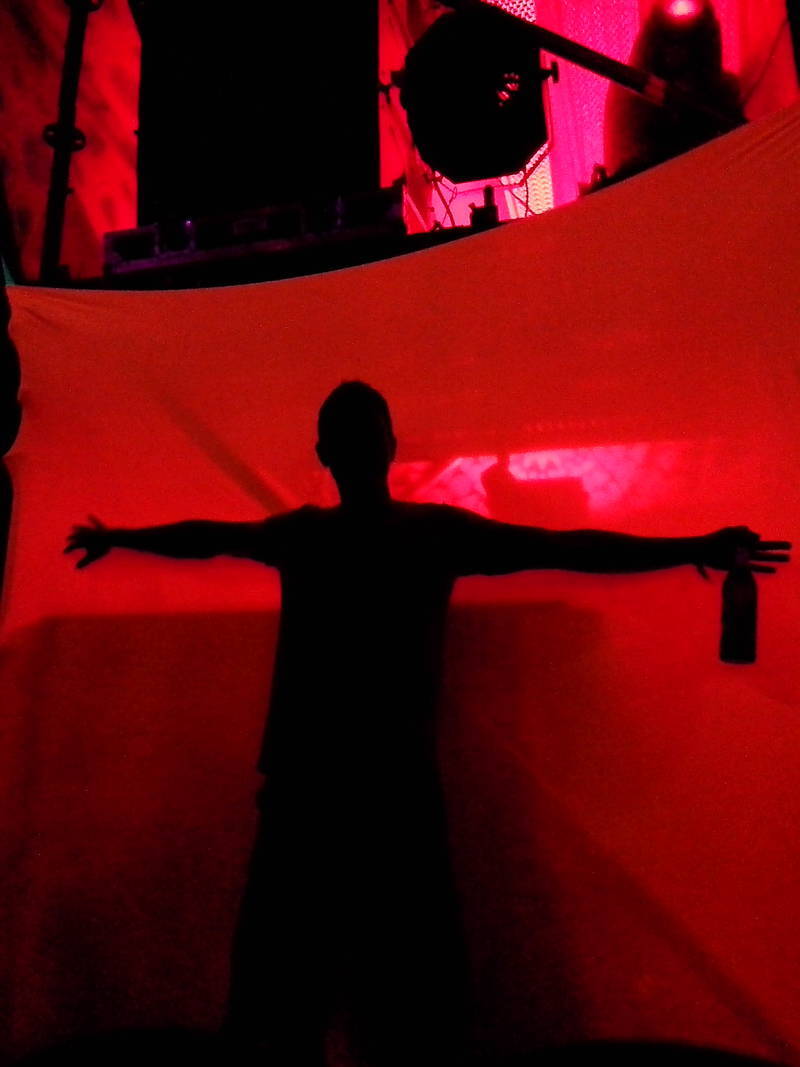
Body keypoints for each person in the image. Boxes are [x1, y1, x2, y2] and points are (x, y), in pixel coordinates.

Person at [65, 381, 791, 1067]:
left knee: (287, 981)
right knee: (403, 984)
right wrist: (690, 547)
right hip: (387, 786)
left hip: (310, 785)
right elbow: (567, 546)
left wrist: (121, 536)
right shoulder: (424, 535)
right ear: (389, 447)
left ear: (327, 453)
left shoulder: (312, 537)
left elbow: (208, 537)